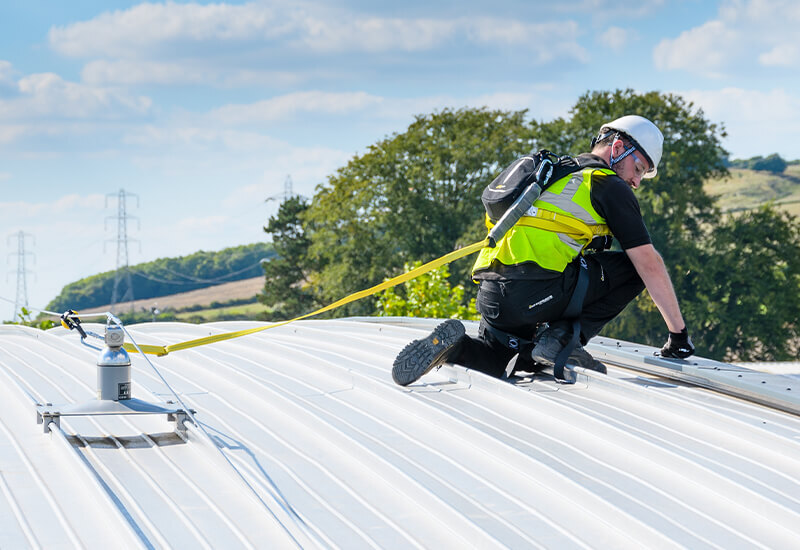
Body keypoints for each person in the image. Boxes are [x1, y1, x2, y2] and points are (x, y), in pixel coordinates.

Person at [392, 115, 695, 386]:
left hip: (492, 295)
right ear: (617, 149)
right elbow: (649, 264)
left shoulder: (554, 175)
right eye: (638, 168)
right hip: (533, 291)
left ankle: (456, 348)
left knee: (508, 361)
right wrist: (678, 336)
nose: (637, 182)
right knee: (634, 269)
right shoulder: (607, 184)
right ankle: (563, 338)